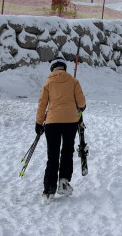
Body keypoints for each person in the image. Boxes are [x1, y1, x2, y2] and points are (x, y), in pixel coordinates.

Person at [36, 58, 86, 201]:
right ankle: (63, 182)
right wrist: (79, 107)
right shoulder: (73, 81)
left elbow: (42, 104)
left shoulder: (48, 83)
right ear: (64, 68)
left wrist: (39, 123)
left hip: (52, 123)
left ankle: (49, 190)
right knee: (67, 151)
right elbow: (82, 104)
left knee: (52, 155)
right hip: (70, 122)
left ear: (52, 68)